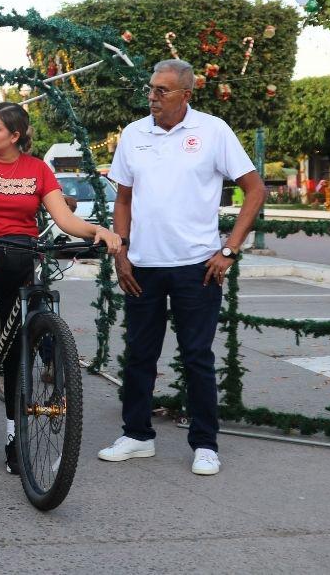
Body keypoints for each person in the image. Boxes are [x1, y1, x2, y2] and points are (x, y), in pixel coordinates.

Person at [0, 102, 120, 477]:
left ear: (15, 136)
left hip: (20, 265)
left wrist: (97, 230)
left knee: (19, 358)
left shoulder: (37, 169)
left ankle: (14, 439)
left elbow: (64, 219)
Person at [99, 59, 263, 477]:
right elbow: (123, 200)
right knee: (139, 354)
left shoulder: (213, 130)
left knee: (196, 357)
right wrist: (121, 252)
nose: (152, 97)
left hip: (197, 266)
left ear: (186, 94)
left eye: (162, 90)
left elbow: (255, 190)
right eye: (151, 89)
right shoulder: (133, 134)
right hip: (143, 265)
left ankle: (205, 444)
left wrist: (229, 250)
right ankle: (137, 436)